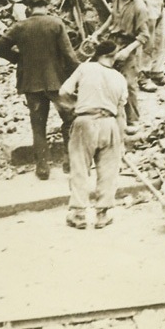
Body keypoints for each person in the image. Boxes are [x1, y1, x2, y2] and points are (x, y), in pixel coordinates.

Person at [0, 0, 78, 179]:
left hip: (31, 84)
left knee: (38, 125)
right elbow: (69, 55)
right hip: (56, 82)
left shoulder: (19, 27)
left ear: (29, 8)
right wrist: (79, 74)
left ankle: (42, 167)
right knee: (70, 119)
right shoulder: (56, 24)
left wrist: (18, 58)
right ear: (47, 6)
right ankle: (70, 162)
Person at [60, 40, 129, 230]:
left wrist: (77, 106)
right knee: (109, 169)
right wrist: (121, 141)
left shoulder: (85, 68)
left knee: (80, 167)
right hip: (110, 123)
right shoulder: (119, 78)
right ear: (112, 56)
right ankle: (102, 214)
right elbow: (121, 113)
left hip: (85, 121)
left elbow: (63, 91)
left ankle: (79, 214)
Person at [106, 0, 152, 135]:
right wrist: (98, 32)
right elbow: (112, 17)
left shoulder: (139, 7)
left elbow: (144, 35)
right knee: (108, 79)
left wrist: (127, 51)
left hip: (129, 45)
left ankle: (133, 119)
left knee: (129, 83)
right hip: (113, 42)